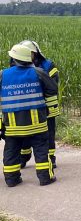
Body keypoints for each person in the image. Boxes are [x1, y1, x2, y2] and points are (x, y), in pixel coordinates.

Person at [1, 43, 58, 187]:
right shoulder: (39, 72)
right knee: (41, 151)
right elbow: (53, 89)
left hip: (13, 127)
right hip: (37, 124)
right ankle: (45, 178)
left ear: (14, 59)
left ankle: (12, 180)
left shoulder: (3, 75)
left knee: (11, 152)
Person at [18, 40, 60, 168]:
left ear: (35, 54)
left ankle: (50, 158)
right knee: (24, 133)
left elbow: (53, 86)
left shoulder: (48, 66)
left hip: (47, 107)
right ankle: (24, 157)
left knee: (48, 134)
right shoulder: (19, 65)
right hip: (28, 107)